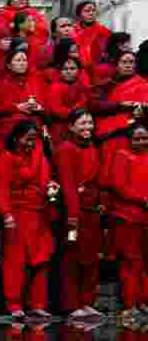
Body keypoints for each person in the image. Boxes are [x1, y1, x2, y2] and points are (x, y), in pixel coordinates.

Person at [0, 120, 57, 319]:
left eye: (34, 139)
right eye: (27, 139)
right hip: (18, 214)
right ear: (16, 138)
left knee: (41, 259)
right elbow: (3, 190)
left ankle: (37, 303)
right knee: (16, 261)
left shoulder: (39, 156)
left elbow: (45, 179)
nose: (31, 143)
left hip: (40, 213)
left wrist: (51, 187)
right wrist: (7, 215)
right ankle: (14, 303)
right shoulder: (6, 158)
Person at [56, 109, 103, 318]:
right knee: (72, 258)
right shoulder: (66, 149)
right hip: (75, 210)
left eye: (90, 123)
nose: (87, 128)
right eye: (82, 124)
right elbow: (68, 186)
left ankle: (87, 301)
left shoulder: (93, 147)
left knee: (90, 258)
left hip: (92, 209)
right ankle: (72, 304)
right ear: (71, 127)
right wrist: (72, 217)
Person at [108, 122, 148, 318]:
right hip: (127, 216)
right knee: (130, 261)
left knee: (142, 262)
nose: (141, 142)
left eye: (144, 138)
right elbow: (118, 185)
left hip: (144, 217)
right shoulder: (122, 156)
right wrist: (142, 199)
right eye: (137, 138)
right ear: (129, 139)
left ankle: (142, 301)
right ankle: (129, 303)